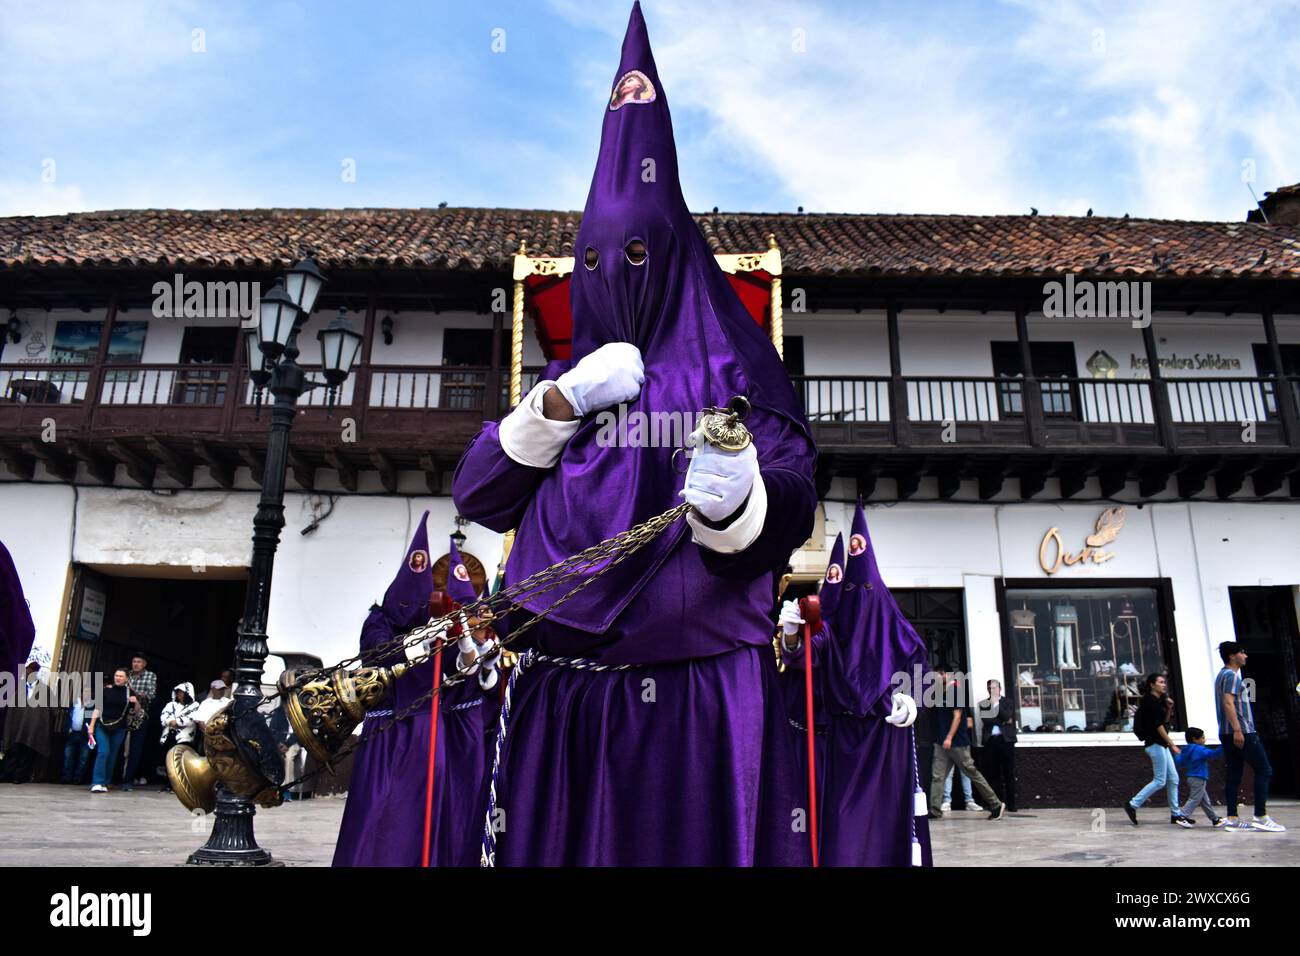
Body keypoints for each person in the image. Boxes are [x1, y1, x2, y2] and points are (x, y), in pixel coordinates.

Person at [451, 3, 816, 866]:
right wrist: (557, 406)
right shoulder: (575, 376)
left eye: (640, 254)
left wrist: (745, 509)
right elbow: (479, 492)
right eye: (593, 260)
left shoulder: (738, 366)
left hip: (693, 694)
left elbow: (794, 485)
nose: (613, 275)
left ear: (679, 253)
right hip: (557, 692)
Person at [333, 517, 499, 866]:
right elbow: (378, 654)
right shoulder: (379, 623)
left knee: (435, 813)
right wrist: (418, 644)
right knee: (381, 812)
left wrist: (478, 655)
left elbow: (467, 670)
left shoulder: (448, 629)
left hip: (440, 735)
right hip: (389, 735)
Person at [780, 503, 932, 866]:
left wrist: (912, 701)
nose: (856, 597)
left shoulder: (893, 625)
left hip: (885, 742)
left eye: (864, 587)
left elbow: (919, 670)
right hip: (842, 743)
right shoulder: (831, 629)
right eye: (849, 588)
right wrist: (790, 635)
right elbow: (806, 655)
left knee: (885, 821)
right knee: (843, 823)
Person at [1216, 641, 1285, 831]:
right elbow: (1228, 703)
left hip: (1226, 732)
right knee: (1264, 769)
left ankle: (1232, 818)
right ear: (1232, 656)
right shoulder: (1230, 675)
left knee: (1234, 774)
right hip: (1242, 732)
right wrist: (1238, 730)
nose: (1246, 656)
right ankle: (1261, 816)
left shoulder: (1222, 675)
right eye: (1242, 652)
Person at [927, 672, 1005, 820]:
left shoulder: (956, 692)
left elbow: (957, 716)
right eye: (937, 673)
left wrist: (949, 737)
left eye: (942, 673)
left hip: (957, 743)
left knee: (972, 773)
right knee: (937, 776)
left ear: (949, 675)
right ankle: (935, 809)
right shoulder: (937, 693)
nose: (939, 676)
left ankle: (995, 804)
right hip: (941, 743)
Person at [1123, 673, 1192, 827]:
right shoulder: (1150, 701)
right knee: (1160, 780)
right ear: (1152, 685)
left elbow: (1164, 722)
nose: (1164, 684)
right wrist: (1172, 744)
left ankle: (1176, 814)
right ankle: (1133, 804)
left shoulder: (1158, 701)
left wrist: (1168, 708)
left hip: (1161, 744)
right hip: (1155, 744)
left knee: (1173, 779)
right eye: (1160, 682)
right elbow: (1158, 726)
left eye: (1164, 682)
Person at [0, 659, 55, 784]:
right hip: (17, 725)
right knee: (14, 750)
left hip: (33, 727)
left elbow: (52, 709)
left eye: (30, 671)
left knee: (27, 752)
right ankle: (8, 774)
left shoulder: (44, 690)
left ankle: (20, 776)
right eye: (27, 671)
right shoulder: (19, 687)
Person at [88, 668, 138, 793]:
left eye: (121, 676)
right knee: (103, 752)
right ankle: (97, 782)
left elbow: (136, 711)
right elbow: (97, 708)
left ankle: (105, 782)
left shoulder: (129, 692)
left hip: (119, 728)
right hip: (102, 725)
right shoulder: (105, 690)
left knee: (112, 755)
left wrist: (136, 702)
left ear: (126, 679)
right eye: (116, 675)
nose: (118, 678)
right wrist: (92, 726)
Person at [979, 678, 1018, 812]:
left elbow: (1007, 716)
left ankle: (1012, 804)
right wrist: (1003, 721)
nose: (992, 690)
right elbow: (987, 720)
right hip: (991, 741)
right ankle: (997, 803)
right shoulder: (984, 704)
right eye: (989, 688)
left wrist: (996, 705)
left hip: (1006, 741)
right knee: (994, 774)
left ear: (999, 689)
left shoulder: (1008, 702)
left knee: (1009, 773)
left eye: (994, 688)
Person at [120, 652, 157, 790]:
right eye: (134, 661)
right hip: (123, 714)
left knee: (135, 749)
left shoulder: (150, 676)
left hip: (140, 715)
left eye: (139, 662)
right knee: (119, 746)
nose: (135, 664)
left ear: (144, 664)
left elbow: (151, 695)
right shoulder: (126, 674)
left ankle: (128, 780)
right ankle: (116, 778)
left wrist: (133, 693)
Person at [1175, 727, 1224, 827]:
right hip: (1199, 778)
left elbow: (1180, 762)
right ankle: (1182, 816)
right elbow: (1213, 754)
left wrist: (1176, 754)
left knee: (1204, 800)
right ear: (1194, 739)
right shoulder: (1200, 750)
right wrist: (1225, 746)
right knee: (1195, 799)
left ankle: (1215, 819)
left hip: (1191, 778)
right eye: (1202, 738)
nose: (1204, 740)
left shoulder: (1186, 750)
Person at [61, 684, 95, 785]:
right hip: (72, 734)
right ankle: (66, 778)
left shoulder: (92, 705)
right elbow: (69, 717)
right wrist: (67, 729)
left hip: (84, 735)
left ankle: (78, 779)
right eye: (85, 691)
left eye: (89, 692)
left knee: (83, 759)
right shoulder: (75, 703)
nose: (87, 694)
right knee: (68, 757)